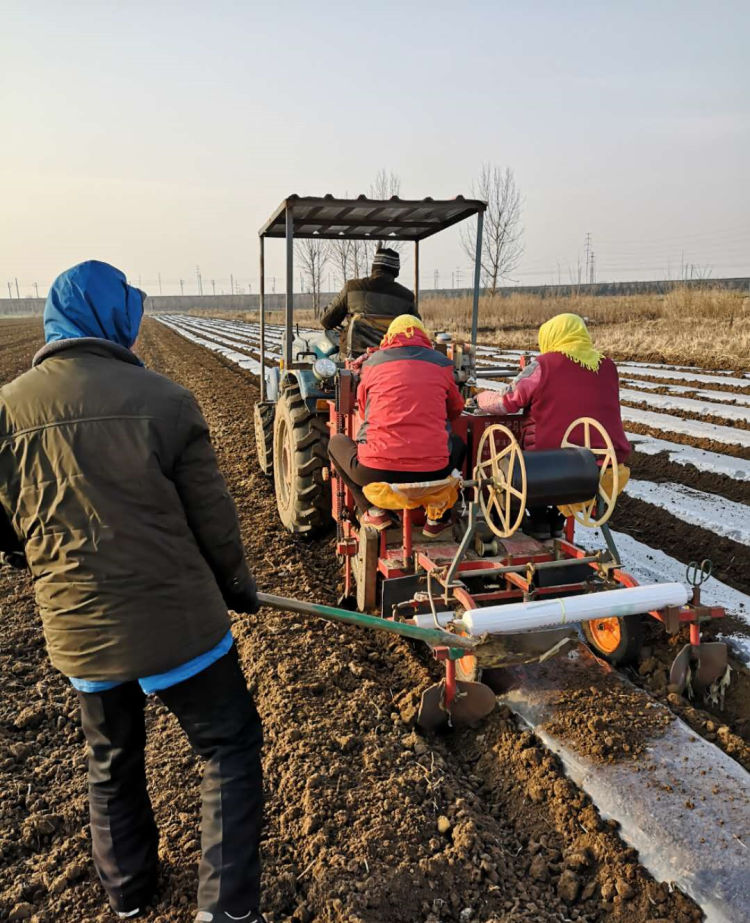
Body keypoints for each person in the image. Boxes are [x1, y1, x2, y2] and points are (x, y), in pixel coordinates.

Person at [0, 261, 266, 923]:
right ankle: (227, 910)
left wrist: (35, 556)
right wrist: (239, 589)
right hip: (178, 622)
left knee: (110, 753)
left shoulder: (7, 411)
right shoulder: (167, 402)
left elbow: (6, 527)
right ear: (114, 318)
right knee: (227, 742)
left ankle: (130, 892)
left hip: (78, 629)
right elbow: (215, 522)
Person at [476, 312, 630, 540]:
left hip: (549, 465)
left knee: (511, 464)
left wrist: (479, 398)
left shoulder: (543, 366)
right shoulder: (608, 366)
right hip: (605, 461)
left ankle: (538, 520)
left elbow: (507, 401)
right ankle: (556, 520)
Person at [328, 314, 465, 536]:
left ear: (390, 337)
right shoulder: (441, 364)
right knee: (458, 444)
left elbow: (364, 412)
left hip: (376, 471)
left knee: (336, 443)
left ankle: (373, 510)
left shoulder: (372, 363)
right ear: (423, 336)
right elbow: (456, 410)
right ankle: (437, 517)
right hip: (433, 471)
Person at [320, 246, 418, 356]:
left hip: (353, 359)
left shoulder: (352, 287)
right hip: (392, 359)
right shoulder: (406, 297)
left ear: (374, 267)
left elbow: (326, 321)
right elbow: (417, 331)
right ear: (396, 271)